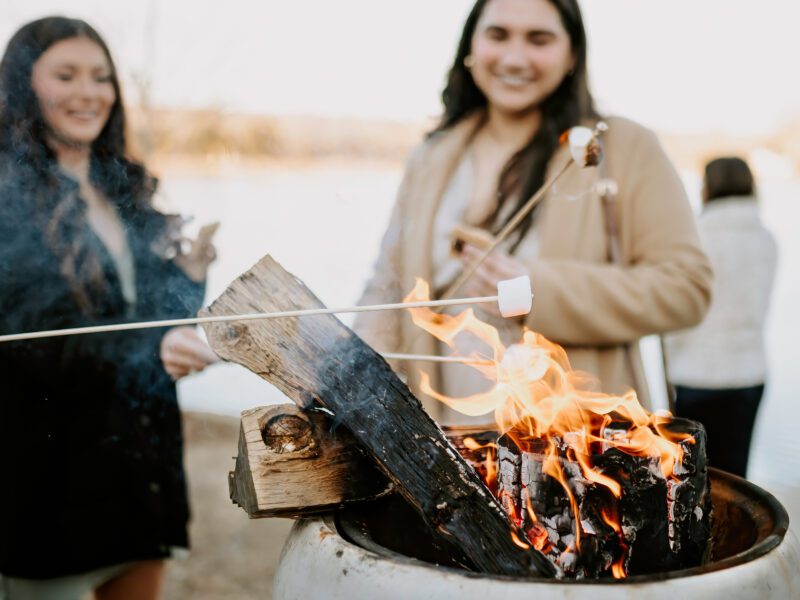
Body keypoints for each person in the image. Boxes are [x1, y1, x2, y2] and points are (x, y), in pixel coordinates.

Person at [353, 0, 712, 424]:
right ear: (471, 44)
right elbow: (385, 292)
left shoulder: (625, 149)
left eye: (538, 39)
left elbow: (686, 289)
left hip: (575, 455)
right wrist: (355, 391)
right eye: (498, 35)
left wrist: (536, 290)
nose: (514, 57)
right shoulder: (430, 158)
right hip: (442, 452)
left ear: (572, 55)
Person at [0, 17, 218, 599]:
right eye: (65, 75)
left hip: (139, 472)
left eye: (100, 77)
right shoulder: (6, 194)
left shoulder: (118, 186)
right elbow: (30, 339)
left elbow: (147, 320)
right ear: (23, 85)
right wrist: (148, 350)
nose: (88, 92)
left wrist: (188, 277)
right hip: (51, 485)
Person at [664, 157, 778, 477]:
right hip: (749, 372)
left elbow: (677, 310)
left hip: (694, 373)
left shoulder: (694, 239)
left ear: (708, 187)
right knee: (736, 476)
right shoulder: (767, 239)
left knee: (690, 476)